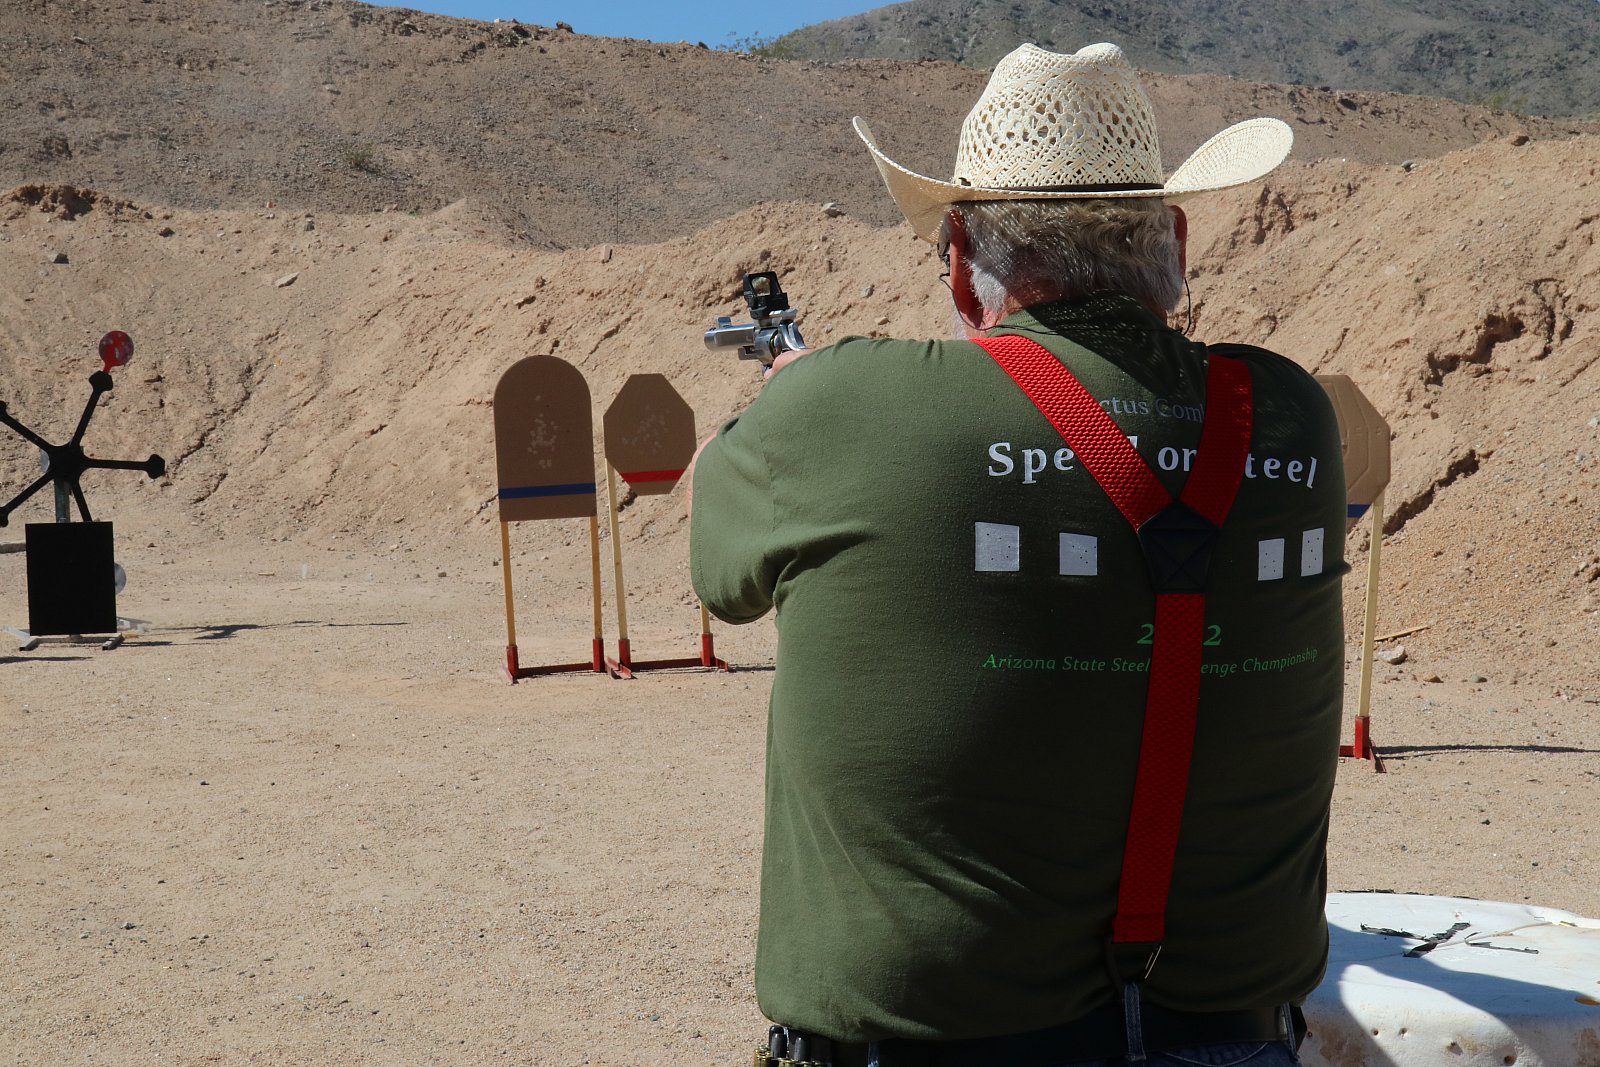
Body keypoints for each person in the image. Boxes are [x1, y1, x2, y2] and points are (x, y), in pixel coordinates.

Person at [689, 42, 1346, 1067]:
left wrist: (796, 395)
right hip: (1236, 1037)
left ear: (960, 260)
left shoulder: (838, 405)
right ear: (1174, 243)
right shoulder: (1291, 410)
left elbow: (721, 580)